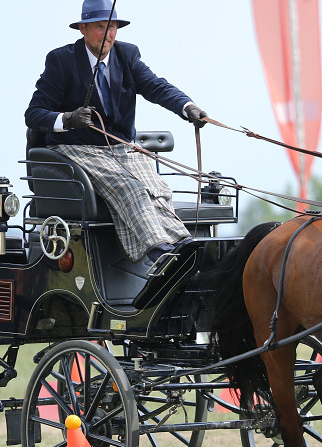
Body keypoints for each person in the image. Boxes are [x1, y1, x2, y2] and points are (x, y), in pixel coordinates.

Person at [25, 0, 206, 306]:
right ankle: (158, 254)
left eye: (111, 27)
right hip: (76, 148)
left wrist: (187, 107)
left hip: (120, 148)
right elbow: (34, 114)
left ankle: (183, 247)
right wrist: (67, 119)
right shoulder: (61, 61)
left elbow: (156, 87)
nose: (107, 35)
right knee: (131, 188)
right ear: (83, 29)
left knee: (157, 188)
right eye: (99, 27)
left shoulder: (127, 54)